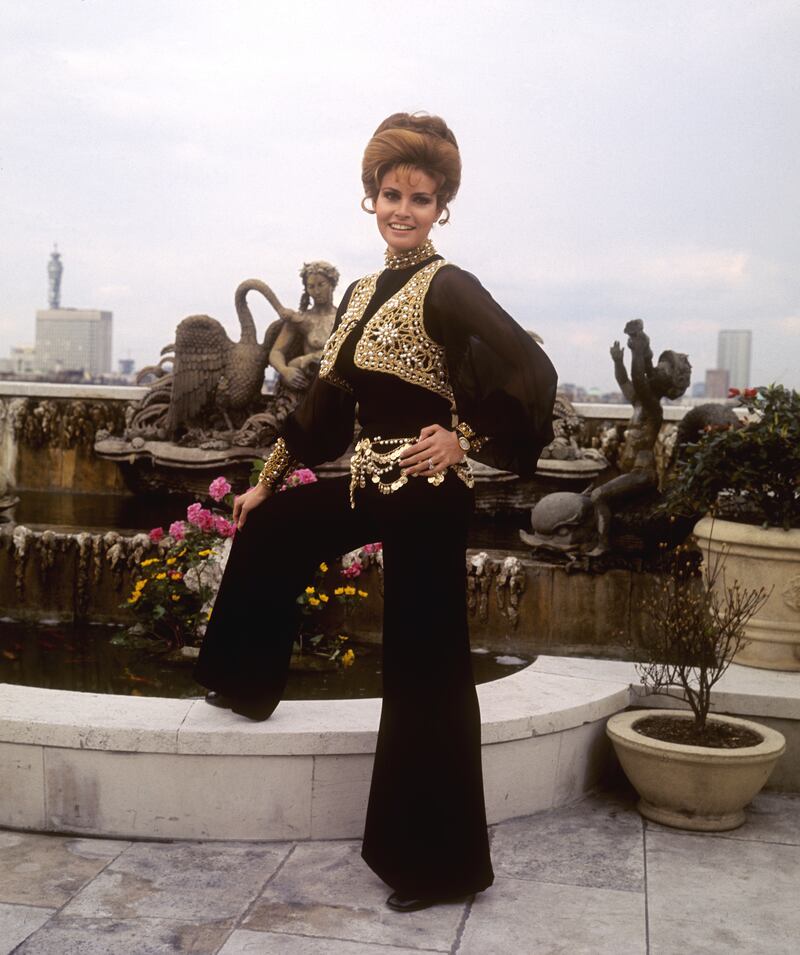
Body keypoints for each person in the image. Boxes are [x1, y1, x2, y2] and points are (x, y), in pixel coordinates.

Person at [193, 111, 558, 913]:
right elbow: (326, 403)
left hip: (428, 493)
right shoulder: (358, 294)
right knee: (277, 526)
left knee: (423, 664)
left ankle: (438, 865)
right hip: (369, 478)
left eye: (420, 198)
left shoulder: (450, 285)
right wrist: (268, 477)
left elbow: (530, 366)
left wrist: (464, 437)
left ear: (442, 206)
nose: (403, 208)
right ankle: (245, 682)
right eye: (390, 193)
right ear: (371, 197)